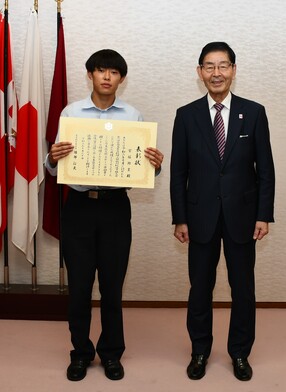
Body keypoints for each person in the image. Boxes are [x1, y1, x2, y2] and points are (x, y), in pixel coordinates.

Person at [45, 49, 164, 382]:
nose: (107, 77)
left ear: (121, 79)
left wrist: (155, 166)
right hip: (79, 208)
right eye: (101, 71)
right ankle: (80, 353)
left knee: (112, 288)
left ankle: (111, 354)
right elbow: (53, 169)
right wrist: (52, 158)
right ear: (90, 75)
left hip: (115, 208)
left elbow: (144, 172)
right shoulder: (71, 113)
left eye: (114, 72)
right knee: (80, 288)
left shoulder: (133, 117)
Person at [170, 42, 275, 381]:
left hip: (243, 217)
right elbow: (178, 172)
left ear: (233, 70)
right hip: (199, 217)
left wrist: (263, 214)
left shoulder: (254, 112)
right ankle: (199, 351)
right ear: (199, 72)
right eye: (209, 66)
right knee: (200, 287)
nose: (217, 73)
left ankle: (240, 353)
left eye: (223, 65)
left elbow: (266, 170)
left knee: (243, 288)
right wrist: (180, 217)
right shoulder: (186, 115)